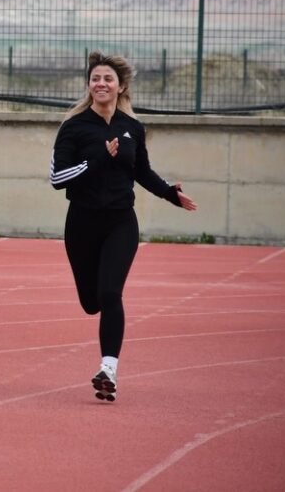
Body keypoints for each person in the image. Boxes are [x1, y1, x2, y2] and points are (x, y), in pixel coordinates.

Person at [50, 52, 197, 402]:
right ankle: (103, 338)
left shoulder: (132, 128)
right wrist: (100, 157)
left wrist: (169, 194)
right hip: (82, 223)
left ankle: (109, 370)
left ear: (121, 86)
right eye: (96, 78)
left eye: (108, 79)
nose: (101, 84)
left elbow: (141, 171)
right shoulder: (74, 127)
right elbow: (57, 178)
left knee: (110, 294)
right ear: (89, 85)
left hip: (121, 222)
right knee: (91, 302)